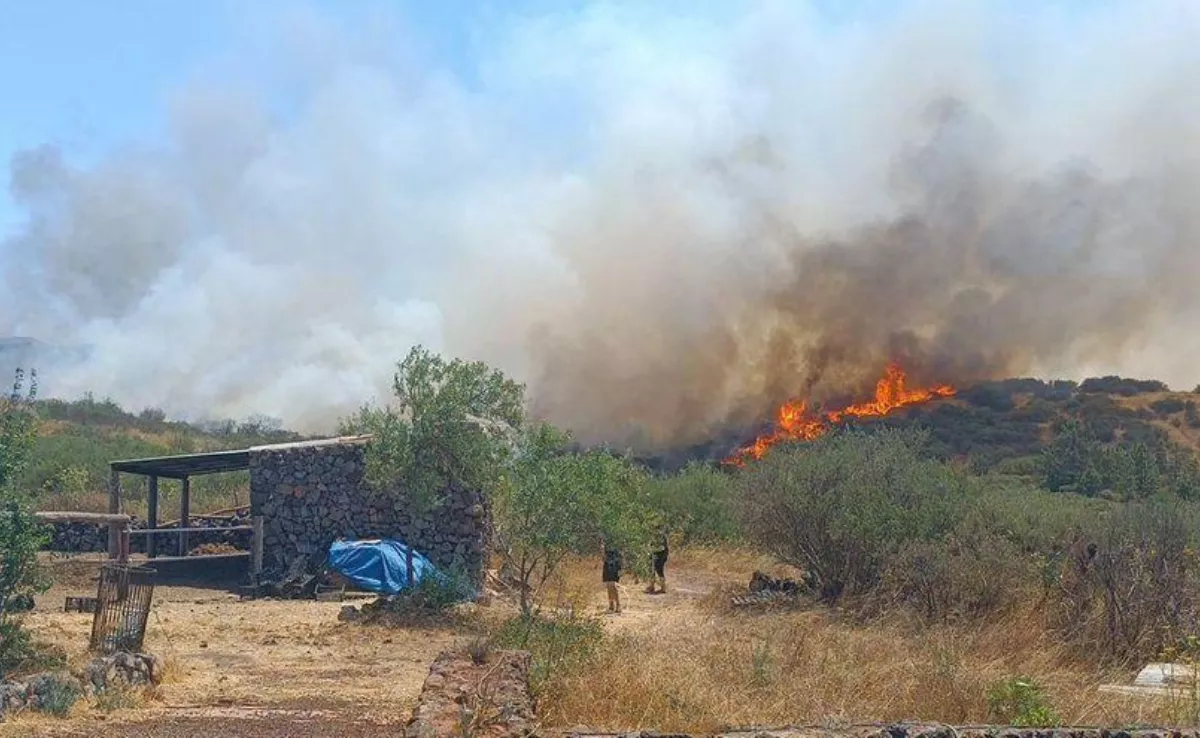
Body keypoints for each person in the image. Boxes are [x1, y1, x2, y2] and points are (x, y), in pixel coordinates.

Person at [645, 528, 669, 594]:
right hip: (658, 555)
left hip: (660, 555)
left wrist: (652, 550)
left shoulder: (660, 536)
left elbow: (662, 548)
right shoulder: (657, 536)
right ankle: (656, 587)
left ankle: (655, 587)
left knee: (657, 570)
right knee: (655, 570)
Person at [601, 537, 622, 614]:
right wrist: (602, 549)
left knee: (613, 585)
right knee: (609, 586)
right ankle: (611, 605)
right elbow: (603, 558)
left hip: (614, 566)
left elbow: (620, 556)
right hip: (607, 566)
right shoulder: (605, 545)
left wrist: (620, 568)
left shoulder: (616, 544)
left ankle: (618, 605)